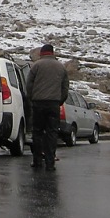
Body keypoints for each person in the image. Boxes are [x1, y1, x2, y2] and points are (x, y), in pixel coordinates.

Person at [26, 43, 69, 171]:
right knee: (52, 132)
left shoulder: (36, 66)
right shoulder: (61, 67)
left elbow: (29, 84)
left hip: (38, 103)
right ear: (52, 53)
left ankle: (37, 160)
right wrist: (59, 101)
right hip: (53, 104)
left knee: (37, 132)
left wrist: (31, 98)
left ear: (42, 53)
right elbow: (65, 87)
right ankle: (50, 163)